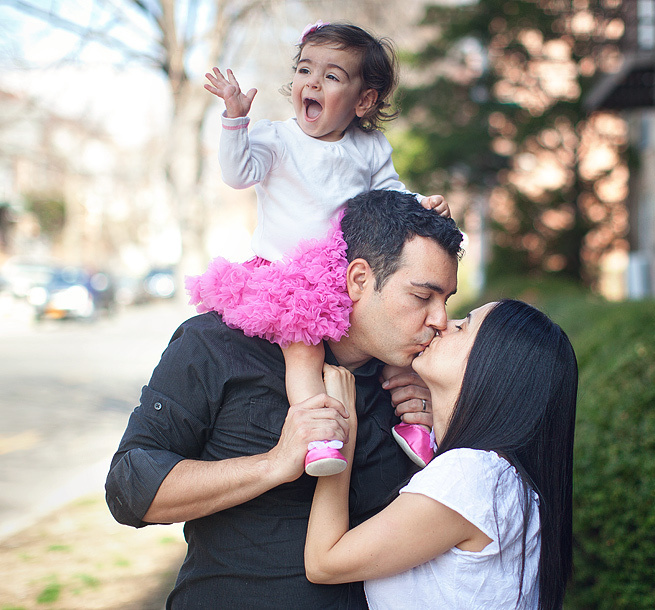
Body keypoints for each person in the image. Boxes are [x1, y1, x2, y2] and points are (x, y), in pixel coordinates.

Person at [105, 190, 463, 609]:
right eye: (423, 297)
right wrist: (273, 464)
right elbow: (128, 489)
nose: (439, 319)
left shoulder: (413, 390)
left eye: (446, 301)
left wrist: (442, 420)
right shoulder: (217, 344)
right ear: (359, 279)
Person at [188, 21, 446, 474]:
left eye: (331, 76)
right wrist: (234, 117)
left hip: (346, 271)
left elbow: (388, 192)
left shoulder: (368, 146)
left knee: (393, 351)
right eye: (305, 70)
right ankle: (320, 435)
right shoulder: (276, 138)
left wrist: (420, 203)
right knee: (303, 353)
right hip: (291, 277)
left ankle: (414, 425)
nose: (312, 82)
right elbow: (237, 173)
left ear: (363, 100)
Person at [297, 298, 578, 609]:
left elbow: (324, 561)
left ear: (494, 366)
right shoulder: (499, 479)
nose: (443, 324)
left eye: (463, 326)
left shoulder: (472, 475)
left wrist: (342, 428)